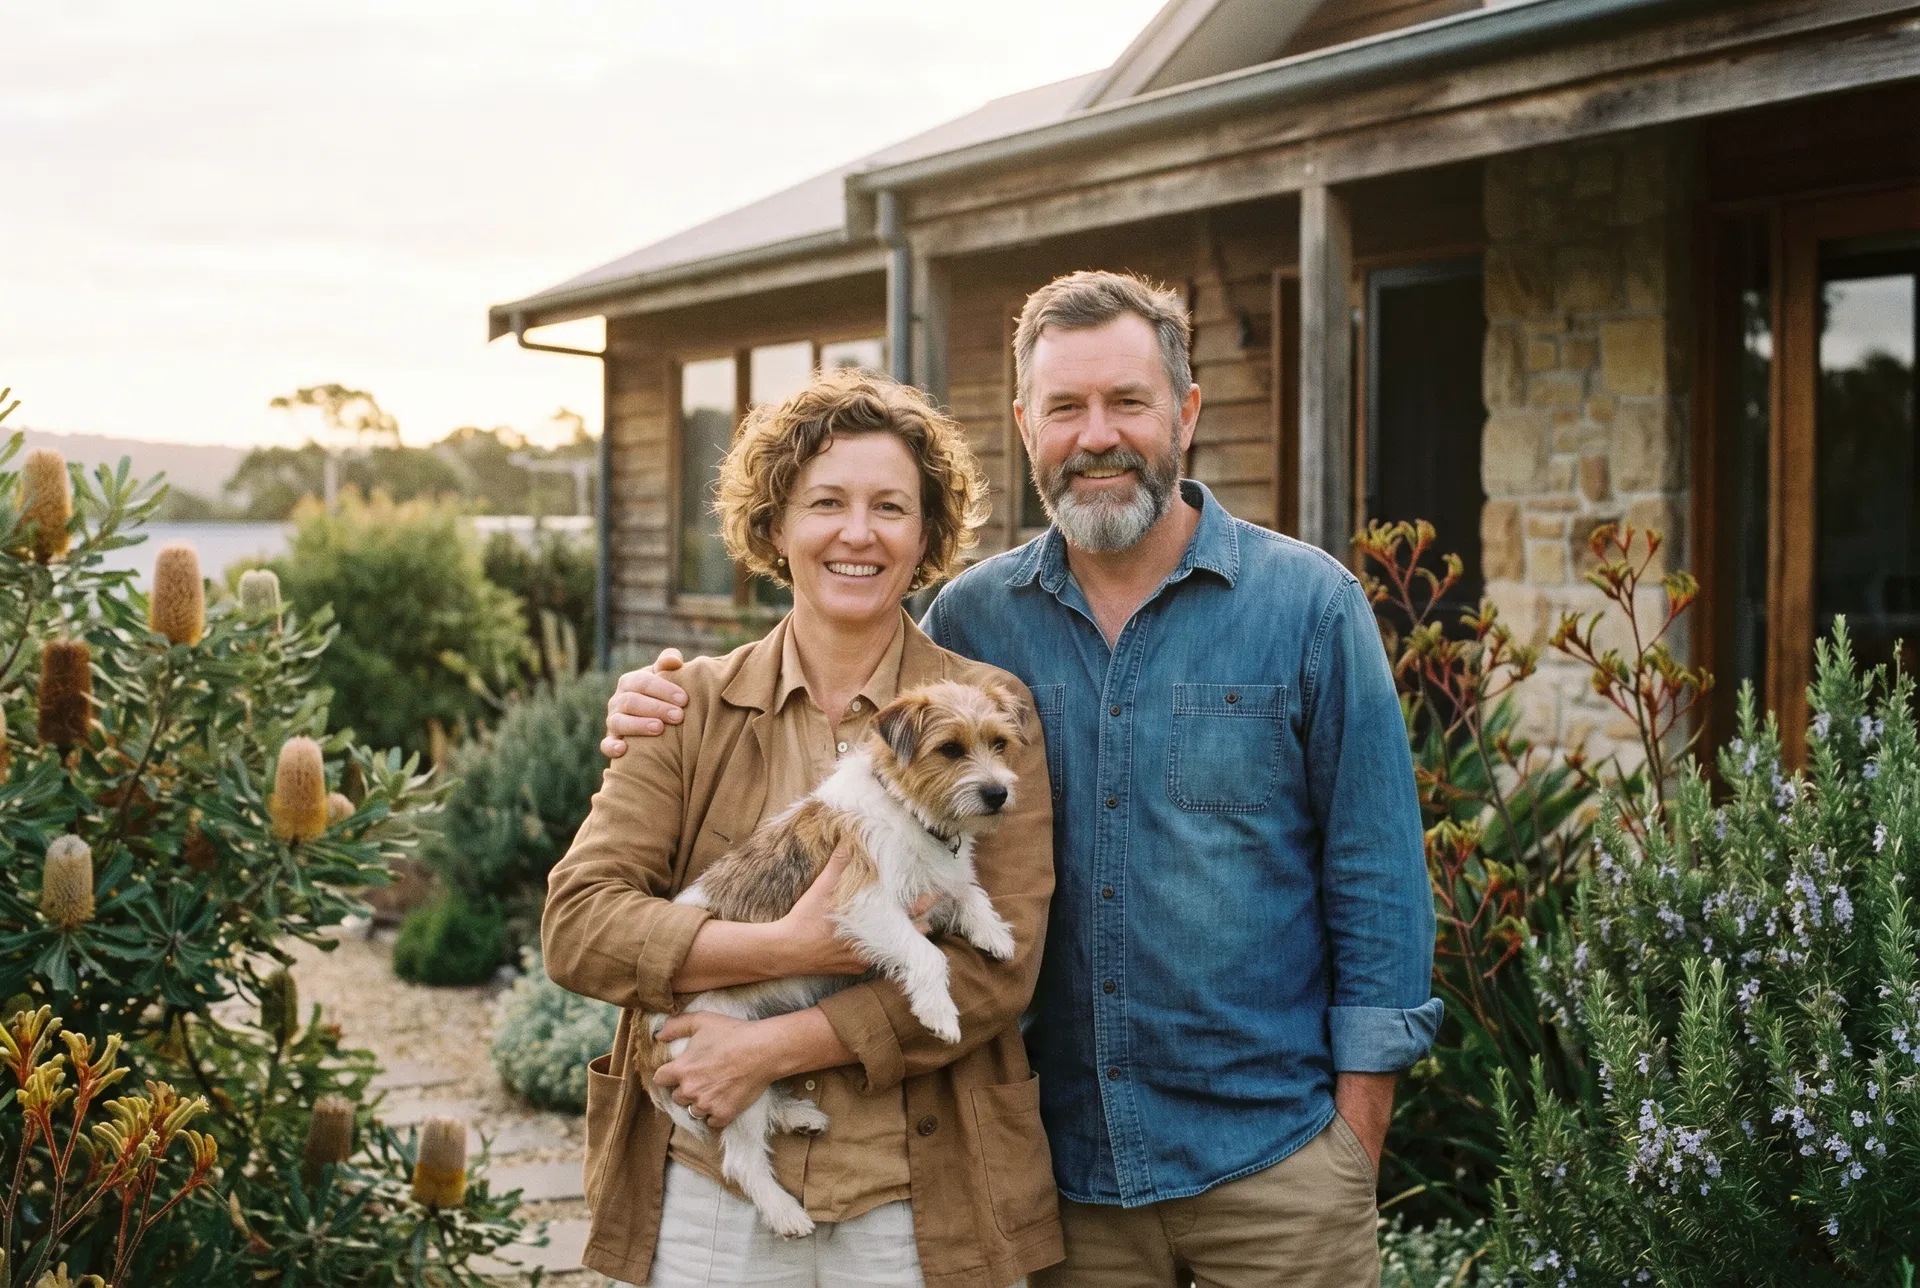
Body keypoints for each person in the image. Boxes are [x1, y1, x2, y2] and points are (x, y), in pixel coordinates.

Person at [605, 271, 1442, 1288]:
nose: (1097, 435)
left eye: (1127, 402)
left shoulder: (1307, 607)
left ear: (1184, 410)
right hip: (1065, 1179)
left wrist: (1353, 1143)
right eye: (1065, 408)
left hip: (1274, 1170)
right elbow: (839, 646)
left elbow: (1380, 882)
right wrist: (653, 698)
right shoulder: (971, 628)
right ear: (1023, 425)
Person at [546, 369, 1061, 1288]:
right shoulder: (686, 707)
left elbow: (998, 970)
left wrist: (774, 1045)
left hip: (916, 1186)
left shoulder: (986, 707)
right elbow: (579, 925)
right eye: (826, 502)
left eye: (891, 508)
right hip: (710, 1197)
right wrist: (782, 946)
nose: (857, 533)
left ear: (927, 536)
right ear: (775, 528)